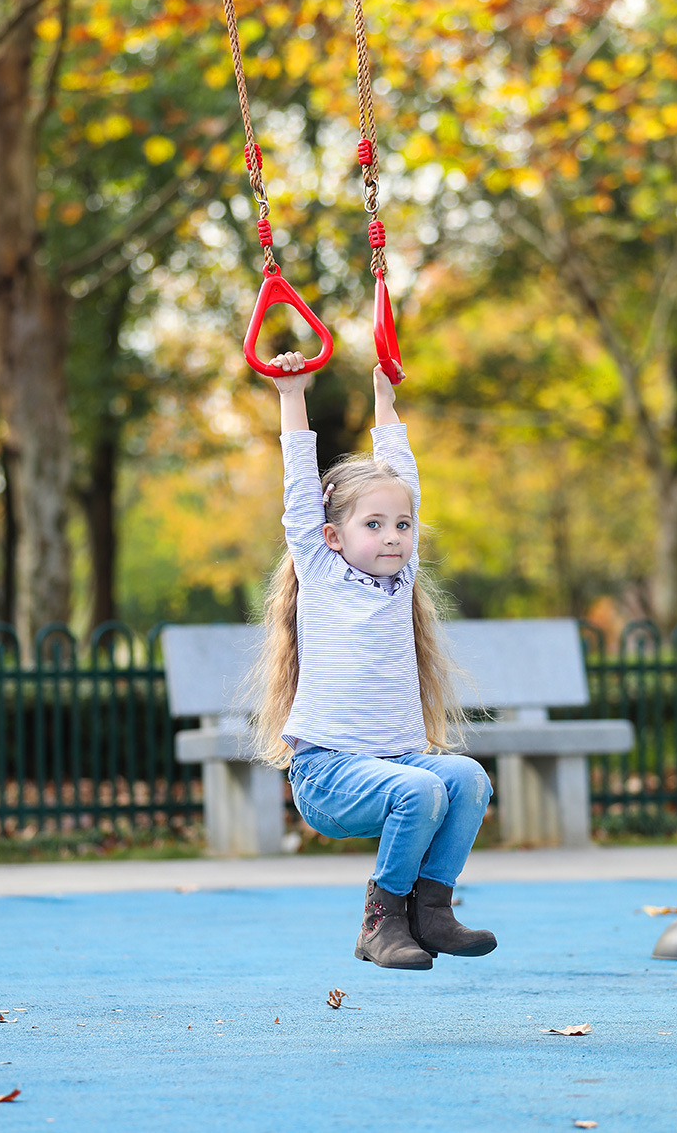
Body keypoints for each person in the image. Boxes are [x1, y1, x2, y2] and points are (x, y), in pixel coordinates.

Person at [252, 350, 496, 972]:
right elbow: (299, 490)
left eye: (403, 525)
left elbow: (404, 478)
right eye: (375, 525)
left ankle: (430, 911)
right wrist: (292, 395)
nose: (393, 536)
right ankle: (380, 922)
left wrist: (386, 398)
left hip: (395, 763)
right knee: (420, 788)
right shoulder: (321, 572)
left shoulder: (400, 580)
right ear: (333, 536)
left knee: (468, 778)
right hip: (329, 774)